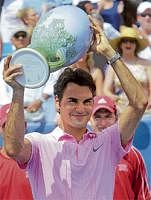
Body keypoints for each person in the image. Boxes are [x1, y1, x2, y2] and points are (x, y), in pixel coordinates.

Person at [2, 17, 147, 199]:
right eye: (72, 101)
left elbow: (140, 102)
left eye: (87, 101)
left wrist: (109, 52)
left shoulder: (108, 142)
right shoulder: (39, 143)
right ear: (57, 103)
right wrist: (18, 91)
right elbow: (13, 148)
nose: (81, 108)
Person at [91, 95, 151, 199]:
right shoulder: (82, 154)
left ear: (116, 118)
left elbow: (143, 196)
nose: (103, 123)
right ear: (90, 120)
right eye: (98, 117)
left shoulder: (133, 155)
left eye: (108, 116)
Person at [104, 26, 151, 113]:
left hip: (145, 110)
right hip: (121, 110)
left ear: (136, 45)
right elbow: (106, 90)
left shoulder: (147, 64)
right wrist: (114, 98)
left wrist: (149, 102)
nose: (128, 44)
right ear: (120, 44)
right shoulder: (114, 65)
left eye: (131, 41)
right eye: (125, 41)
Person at [0, 104, 33, 200]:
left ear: (25, 126)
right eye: (7, 126)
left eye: (16, 125)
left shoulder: (40, 159)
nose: (12, 131)